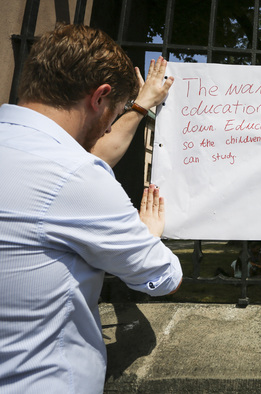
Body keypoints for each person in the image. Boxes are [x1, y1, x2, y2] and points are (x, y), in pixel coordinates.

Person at [0, 23, 182, 394]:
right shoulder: (76, 178)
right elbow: (163, 277)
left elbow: (73, 166)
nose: (106, 129)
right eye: (111, 115)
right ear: (99, 97)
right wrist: (147, 238)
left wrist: (137, 107)